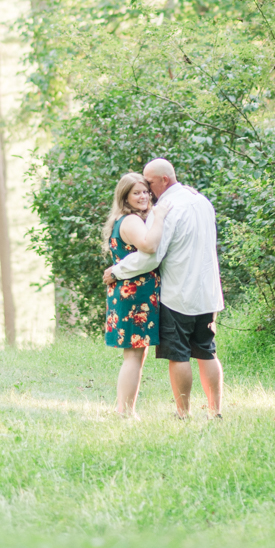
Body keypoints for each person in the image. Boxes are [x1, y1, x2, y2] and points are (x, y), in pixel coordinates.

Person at [103, 158, 224, 418]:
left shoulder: (168, 209)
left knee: (179, 355)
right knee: (207, 351)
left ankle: (183, 414)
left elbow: (151, 255)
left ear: (163, 181)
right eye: (140, 188)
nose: (147, 190)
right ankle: (215, 412)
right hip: (208, 292)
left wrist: (116, 271)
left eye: (149, 184)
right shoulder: (202, 201)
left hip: (178, 293)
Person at [102, 172, 172, 417]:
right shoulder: (131, 221)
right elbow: (149, 246)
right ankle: (125, 412)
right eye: (136, 193)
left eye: (145, 191)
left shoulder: (127, 219)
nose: (143, 196)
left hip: (132, 293)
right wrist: (160, 217)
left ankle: (124, 408)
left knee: (135, 356)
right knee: (133, 356)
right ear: (125, 196)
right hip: (134, 295)